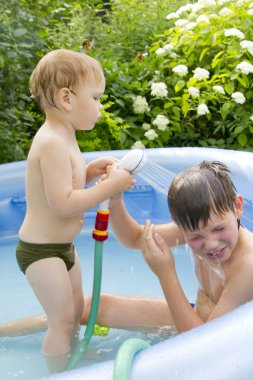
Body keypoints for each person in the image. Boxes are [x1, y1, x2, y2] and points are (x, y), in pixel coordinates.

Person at [1, 161, 253, 338]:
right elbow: (134, 239)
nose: (211, 243)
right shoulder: (200, 223)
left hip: (214, 342)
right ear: (183, 227)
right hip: (198, 321)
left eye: (219, 229)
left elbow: (202, 344)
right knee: (88, 307)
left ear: (238, 207)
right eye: (195, 236)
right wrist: (115, 200)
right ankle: (4, 332)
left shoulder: (247, 264)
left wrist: (165, 273)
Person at [13, 49, 135, 371]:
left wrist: (90, 171)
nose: (100, 107)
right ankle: (58, 372)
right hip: (41, 252)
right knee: (62, 321)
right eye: (95, 98)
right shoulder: (51, 141)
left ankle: (73, 354)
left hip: (62, 249)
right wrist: (109, 187)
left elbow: (67, 181)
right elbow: (62, 204)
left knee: (75, 312)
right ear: (66, 98)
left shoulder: (64, 135)